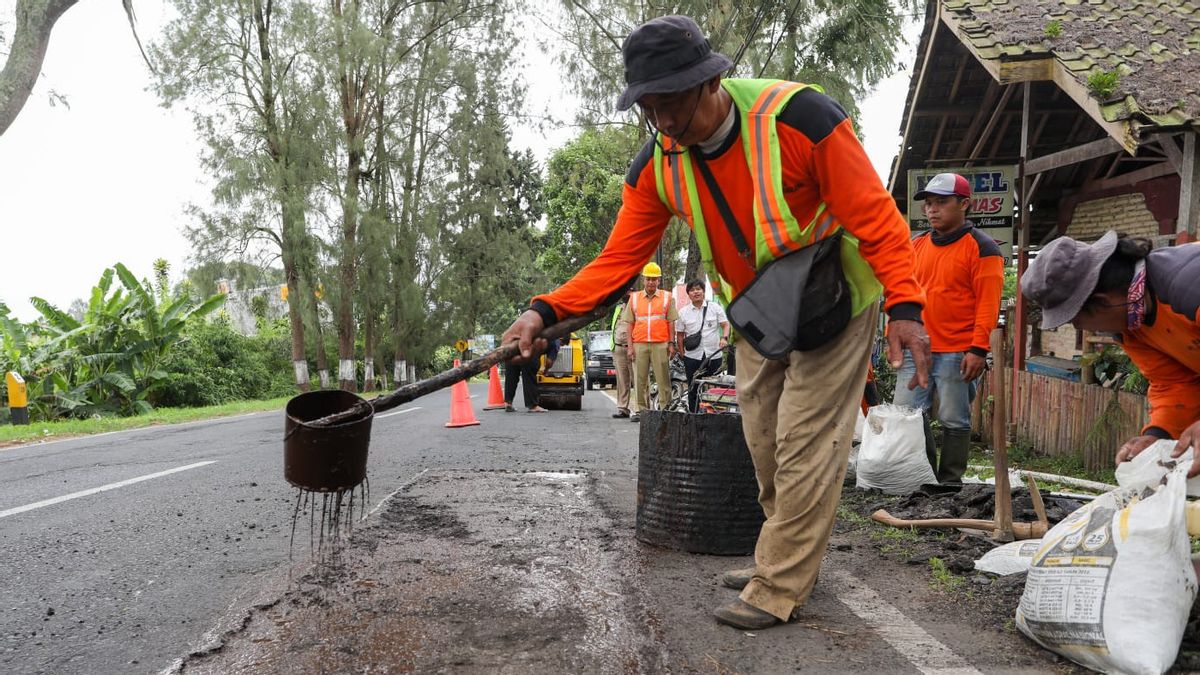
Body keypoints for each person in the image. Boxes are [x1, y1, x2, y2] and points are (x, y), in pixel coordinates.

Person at [500, 14, 930, 630]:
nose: (667, 121)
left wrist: (907, 307)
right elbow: (617, 262)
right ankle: (784, 552)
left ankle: (779, 581)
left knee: (805, 443)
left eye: (673, 101)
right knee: (762, 441)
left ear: (710, 82)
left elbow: (877, 218)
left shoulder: (800, 121)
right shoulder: (658, 165)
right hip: (760, 313)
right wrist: (543, 311)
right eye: (651, 108)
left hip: (836, 300)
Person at [1021, 230, 1200, 472]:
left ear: (1103, 301)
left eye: (1076, 320)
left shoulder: (1190, 286)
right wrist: (1159, 435)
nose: (1078, 328)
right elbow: (1173, 384)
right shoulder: (1132, 325)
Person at [893, 173, 1004, 486]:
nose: (932, 209)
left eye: (941, 202)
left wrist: (978, 349)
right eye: (929, 203)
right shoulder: (917, 246)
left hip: (959, 350)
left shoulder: (983, 249)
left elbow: (988, 305)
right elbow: (906, 294)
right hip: (918, 349)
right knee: (908, 415)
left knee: (953, 418)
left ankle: (950, 482)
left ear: (964, 203)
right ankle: (924, 477)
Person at [620, 262, 678, 421]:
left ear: (659, 280)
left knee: (663, 379)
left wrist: (671, 343)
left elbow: (671, 321)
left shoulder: (667, 297)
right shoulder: (634, 298)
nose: (651, 282)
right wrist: (630, 347)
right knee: (640, 379)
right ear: (644, 280)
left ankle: (665, 410)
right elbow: (629, 324)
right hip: (640, 343)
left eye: (654, 279)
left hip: (661, 343)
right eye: (648, 279)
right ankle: (641, 411)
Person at [675, 279, 729, 411]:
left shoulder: (715, 307)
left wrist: (724, 338)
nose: (696, 292)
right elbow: (680, 335)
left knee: (714, 388)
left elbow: (725, 324)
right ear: (688, 294)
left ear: (703, 291)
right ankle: (693, 415)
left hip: (714, 355)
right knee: (693, 388)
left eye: (698, 289)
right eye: (692, 290)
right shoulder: (683, 312)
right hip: (692, 357)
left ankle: (713, 414)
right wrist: (682, 353)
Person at [610, 289, 636, 418]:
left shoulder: (638, 306)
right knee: (621, 380)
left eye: (629, 292)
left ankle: (640, 409)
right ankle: (623, 408)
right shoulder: (619, 308)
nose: (626, 294)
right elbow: (614, 327)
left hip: (634, 348)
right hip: (618, 348)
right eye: (625, 292)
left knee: (638, 379)